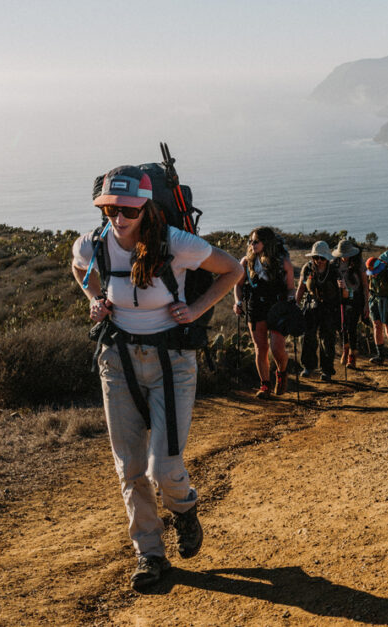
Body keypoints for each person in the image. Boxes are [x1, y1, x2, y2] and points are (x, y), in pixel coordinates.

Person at [71, 165, 243, 591]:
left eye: (127, 209)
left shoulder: (175, 243)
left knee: (163, 468)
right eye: (111, 208)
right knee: (130, 467)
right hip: (117, 360)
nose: (118, 218)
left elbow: (233, 270)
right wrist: (95, 298)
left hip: (172, 362)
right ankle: (150, 554)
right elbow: (78, 269)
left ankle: (184, 510)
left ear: (145, 207)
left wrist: (197, 309)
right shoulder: (94, 244)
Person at [233, 227, 295, 398]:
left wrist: (291, 301)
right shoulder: (246, 262)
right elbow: (237, 285)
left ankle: (282, 372)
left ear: (265, 243)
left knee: (277, 348)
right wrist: (237, 302)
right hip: (255, 307)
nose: (251, 244)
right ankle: (265, 386)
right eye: (250, 241)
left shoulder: (283, 263)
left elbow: (291, 288)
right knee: (261, 348)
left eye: (255, 241)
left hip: (277, 307)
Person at [295, 241, 347, 381]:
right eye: (315, 257)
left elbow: (345, 295)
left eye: (322, 258)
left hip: (330, 309)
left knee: (327, 340)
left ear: (327, 258)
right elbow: (301, 288)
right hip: (311, 307)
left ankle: (327, 370)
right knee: (307, 337)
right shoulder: (307, 268)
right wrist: (295, 306)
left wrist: (343, 287)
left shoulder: (334, 270)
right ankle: (308, 366)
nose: (319, 261)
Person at [332, 240, 369, 370]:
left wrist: (366, 305)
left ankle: (352, 356)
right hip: (339, 300)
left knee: (351, 327)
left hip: (356, 299)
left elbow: (365, 286)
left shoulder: (359, 264)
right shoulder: (334, 265)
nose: (345, 256)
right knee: (341, 327)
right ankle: (345, 348)